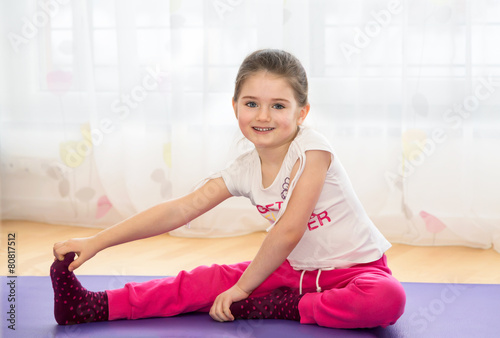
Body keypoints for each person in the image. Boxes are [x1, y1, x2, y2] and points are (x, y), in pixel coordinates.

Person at [51, 49, 406, 329]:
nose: (263, 116)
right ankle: (96, 306)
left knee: (387, 298)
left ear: (302, 113)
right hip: (292, 272)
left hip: (357, 272)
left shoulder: (312, 151)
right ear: (235, 106)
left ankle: (288, 308)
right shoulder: (243, 169)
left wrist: (243, 289)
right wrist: (95, 242)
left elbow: (290, 230)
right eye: (251, 104)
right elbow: (179, 210)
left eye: (278, 106)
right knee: (203, 282)